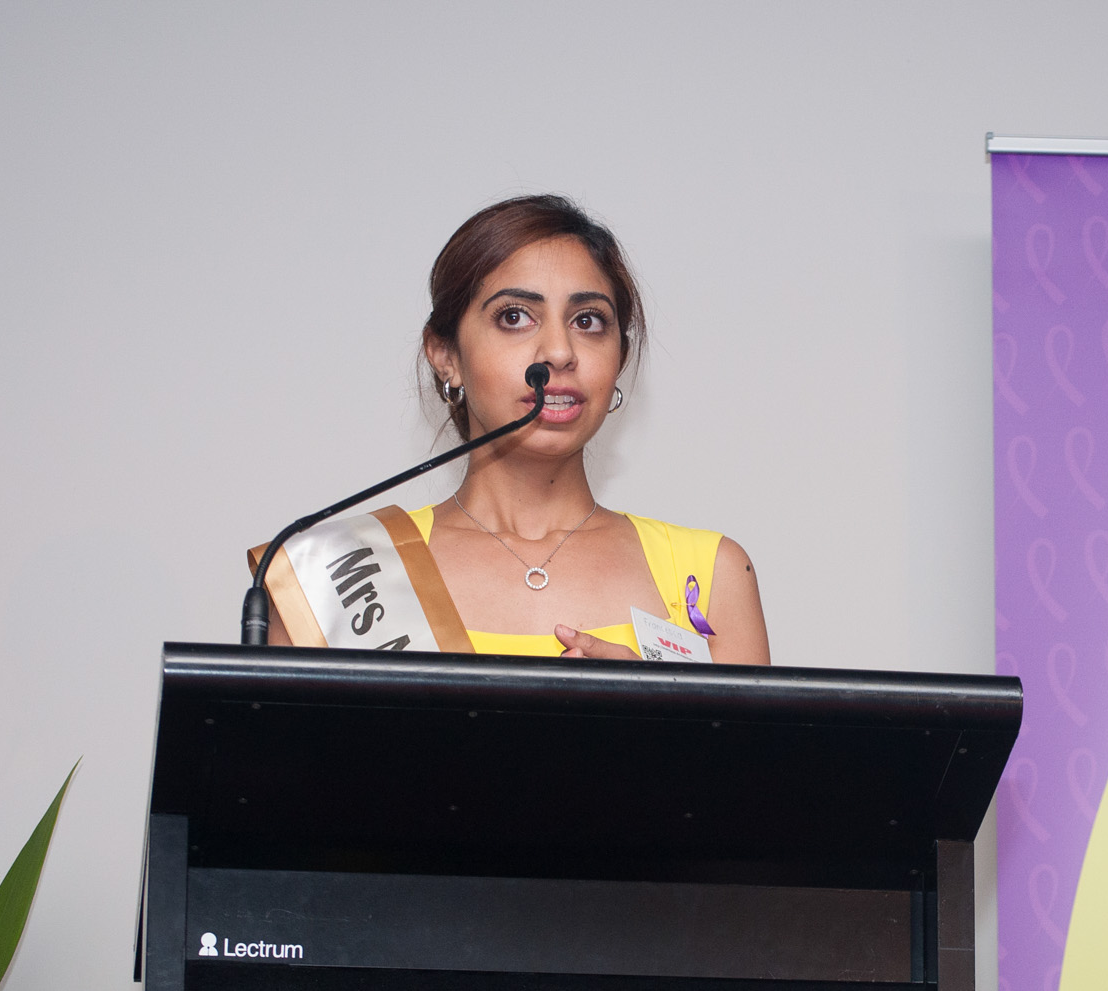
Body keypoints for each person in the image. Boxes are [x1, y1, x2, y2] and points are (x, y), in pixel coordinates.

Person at [265, 195, 770, 663]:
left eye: (588, 321)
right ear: (446, 355)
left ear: (620, 358)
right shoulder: (329, 576)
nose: (559, 351)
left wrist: (657, 718)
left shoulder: (712, 575)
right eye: (514, 316)